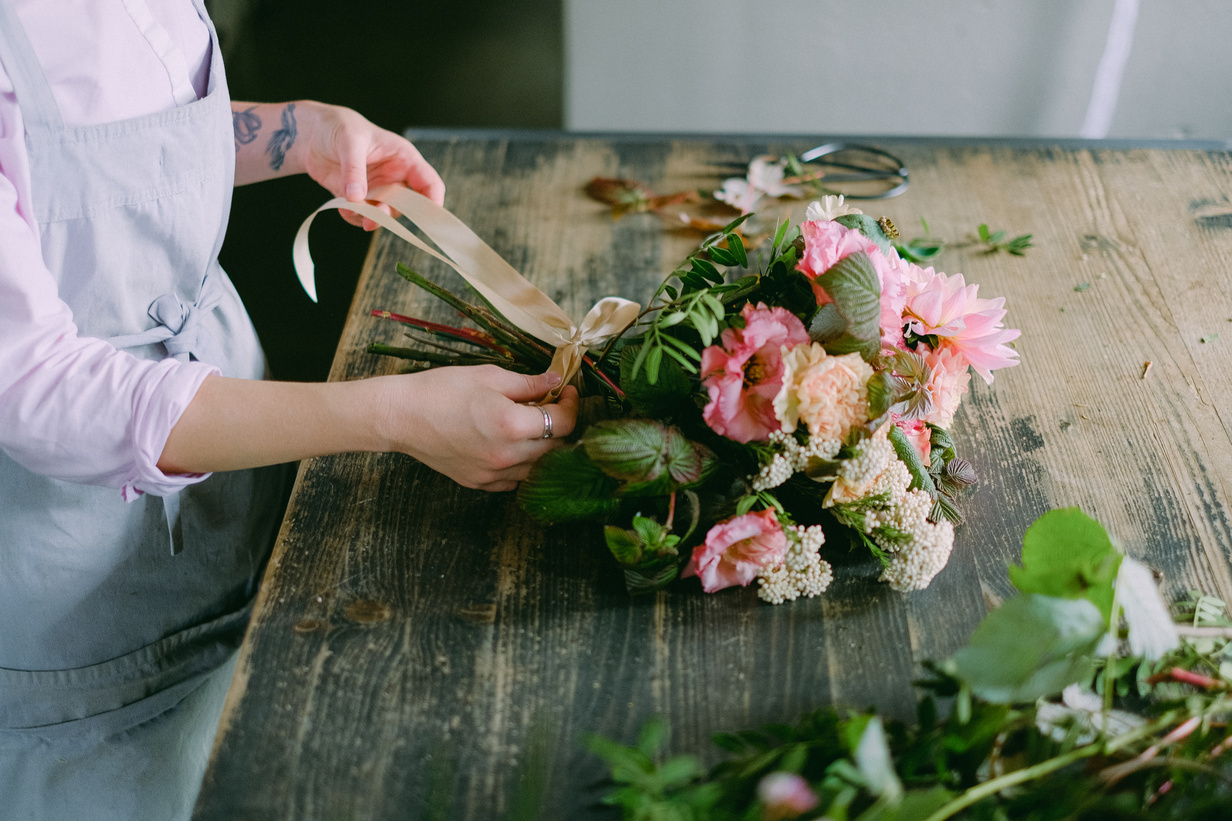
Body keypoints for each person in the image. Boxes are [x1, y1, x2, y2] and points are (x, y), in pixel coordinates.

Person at [0, 1, 577, 818]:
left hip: (229, 493)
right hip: (74, 597)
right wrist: (392, 416)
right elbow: (36, 388)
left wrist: (295, 131)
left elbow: (81, 157)